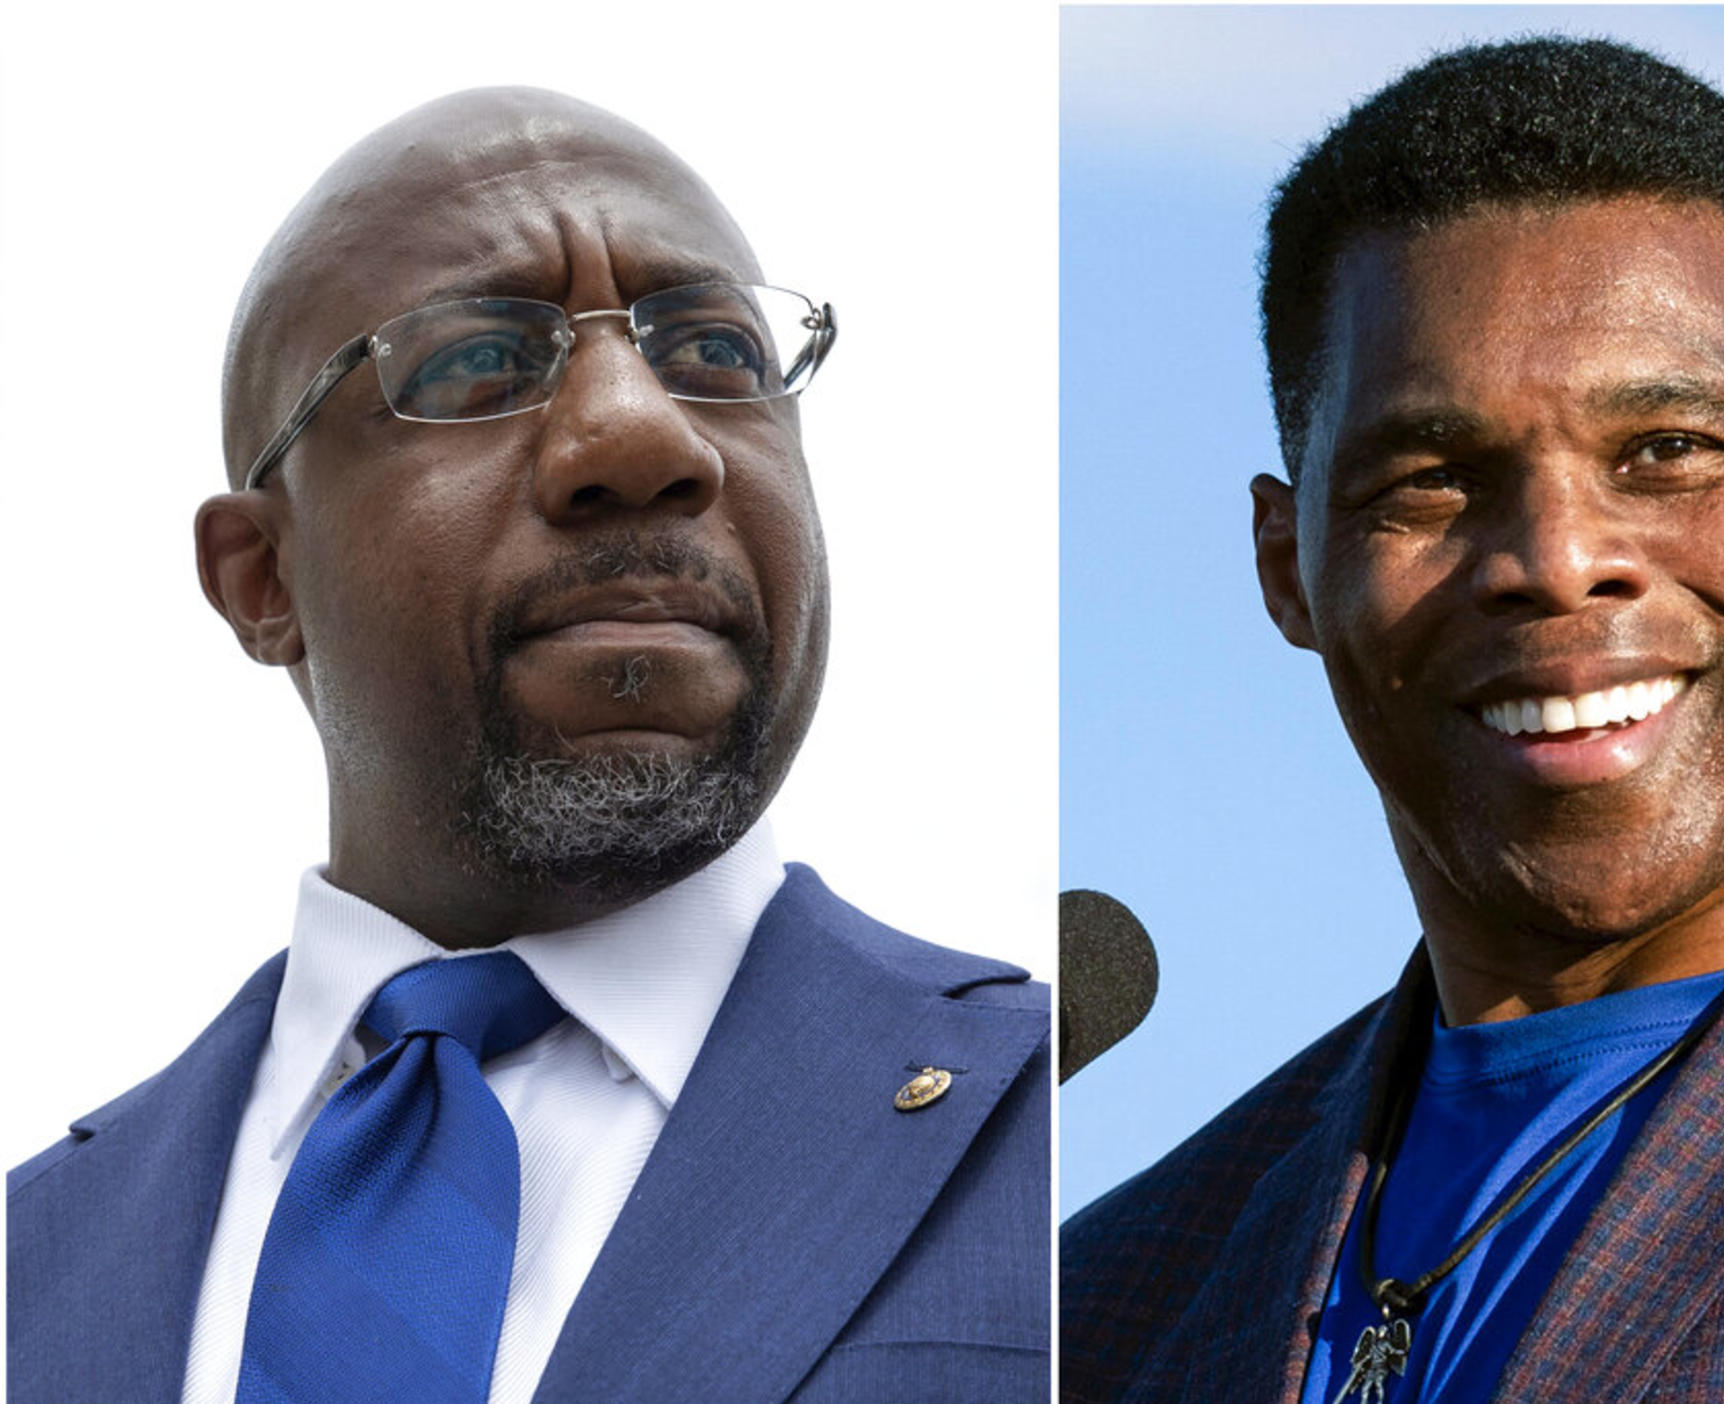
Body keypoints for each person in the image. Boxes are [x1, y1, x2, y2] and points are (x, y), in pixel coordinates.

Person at [1061, 37, 1724, 1404]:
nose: (1554, 557)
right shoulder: (1113, 1291)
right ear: (1285, 567)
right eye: (1426, 482)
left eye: (1665, 451)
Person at [8, 88, 1049, 1404]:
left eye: (715, 354)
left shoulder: (1051, 1123)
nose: (639, 436)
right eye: (474, 366)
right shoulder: (30, 1269)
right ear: (263, 577)